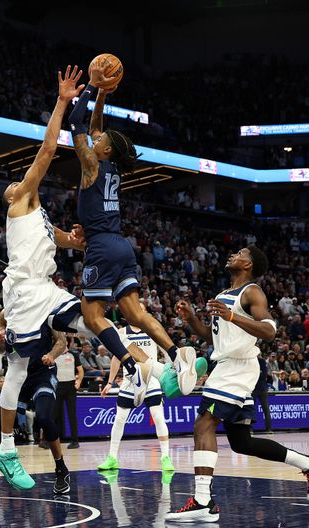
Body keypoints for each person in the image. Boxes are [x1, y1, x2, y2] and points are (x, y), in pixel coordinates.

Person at [0, 66, 156, 491]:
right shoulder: (22, 200)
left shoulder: (40, 218)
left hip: (46, 289)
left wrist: (81, 242)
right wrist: (64, 100)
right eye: (13, 185)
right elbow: (48, 149)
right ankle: (6, 448)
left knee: (89, 317)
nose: (16, 184)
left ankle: (131, 362)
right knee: (16, 368)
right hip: (24, 293)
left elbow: (65, 240)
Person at [167, 246, 309, 523]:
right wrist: (192, 320)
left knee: (203, 424)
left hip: (238, 368)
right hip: (228, 365)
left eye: (240, 253)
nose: (231, 254)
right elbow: (213, 338)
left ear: (248, 265)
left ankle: (203, 502)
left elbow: (269, 330)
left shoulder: (252, 292)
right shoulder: (222, 295)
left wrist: (233, 316)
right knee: (241, 442)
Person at [68, 60, 197, 395]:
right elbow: (96, 126)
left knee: (92, 315)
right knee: (135, 313)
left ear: (105, 148)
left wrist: (91, 87)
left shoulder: (91, 163)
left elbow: (75, 122)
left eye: (100, 140)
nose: (95, 138)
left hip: (102, 246)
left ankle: (131, 366)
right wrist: (102, 94)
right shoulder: (111, 165)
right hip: (123, 245)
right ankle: (176, 354)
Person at [0, 329, 71, 494]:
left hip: (42, 373)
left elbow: (61, 341)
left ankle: (61, 469)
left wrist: (52, 354)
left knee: (44, 417)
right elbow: (0, 349)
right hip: (17, 374)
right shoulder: (8, 314)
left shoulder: (46, 310)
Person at [97, 317, 175, 472]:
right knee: (119, 419)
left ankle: (165, 457)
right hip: (129, 380)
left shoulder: (151, 330)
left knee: (158, 417)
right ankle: (112, 458)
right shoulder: (121, 332)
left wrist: (171, 370)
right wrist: (110, 382)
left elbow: (166, 350)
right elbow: (116, 358)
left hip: (151, 378)